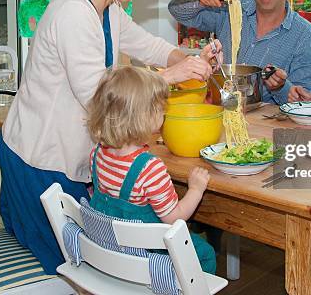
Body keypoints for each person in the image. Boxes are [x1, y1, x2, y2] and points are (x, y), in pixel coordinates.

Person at [0, 0, 222, 274]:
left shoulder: (107, 10)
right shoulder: (73, 13)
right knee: (66, 269)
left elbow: (147, 44)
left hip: (63, 156)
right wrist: (172, 76)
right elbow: (101, 96)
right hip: (40, 159)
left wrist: (190, 59)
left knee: (84, 264)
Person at [86, 66, 216, 273]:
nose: (164, 110)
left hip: (111, 249)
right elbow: (174, 218)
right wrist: (196, 189)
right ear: (142, 117)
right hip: (144, 256)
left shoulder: (97, 154)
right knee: (205, 255)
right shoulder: (149, 169)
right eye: (159, 107)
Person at [168, 0, 311, 105]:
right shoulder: (232, 9)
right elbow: (177, 10)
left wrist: (280, 87)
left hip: (265, 124)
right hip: (220, 110)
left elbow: (302, 102)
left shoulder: (305, 36)